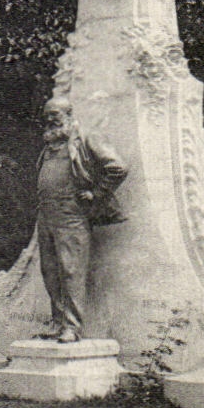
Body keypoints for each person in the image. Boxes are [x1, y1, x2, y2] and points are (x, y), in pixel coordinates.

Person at [35, 96, 127, 343]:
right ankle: (57, 323)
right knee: (50, 271)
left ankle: (72, 327)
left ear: (68, 114)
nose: (51, 119)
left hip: (71, 215)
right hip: (46, 215)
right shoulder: (51, 144)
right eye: (47, 116)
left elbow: (118, 167)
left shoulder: (85, 138)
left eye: (56, 114)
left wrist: (96, 194)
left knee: (71, 271)